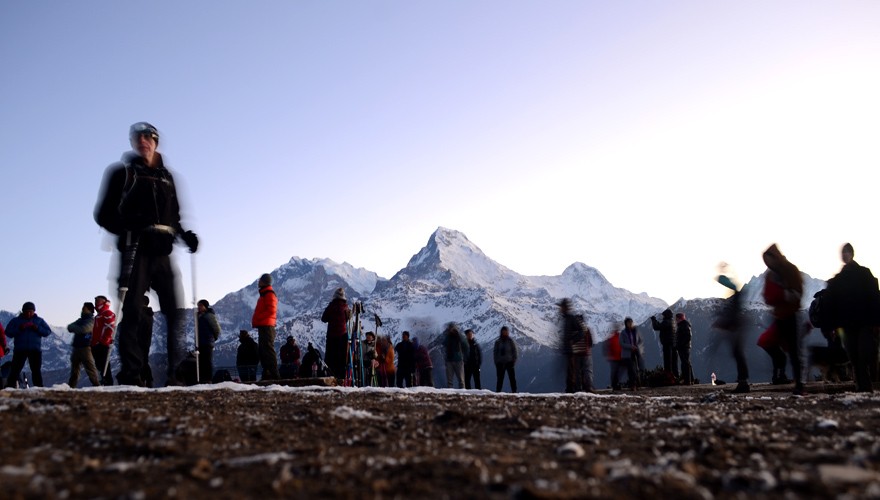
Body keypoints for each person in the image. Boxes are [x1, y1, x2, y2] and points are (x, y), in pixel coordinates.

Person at [94, 122, 199, 386]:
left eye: (148, 137)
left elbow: (173, 216)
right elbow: (103, 214)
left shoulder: (167, 177)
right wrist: (127, 227)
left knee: (174, 312)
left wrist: (184, 234)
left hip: (162, 252)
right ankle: (132, 373)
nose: (143, 141)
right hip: (135, 248)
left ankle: (175, 373)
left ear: (155, 142)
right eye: (138, 138)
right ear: (133, 142)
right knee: (132, 312)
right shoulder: (122, 173)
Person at [824, 243, 880, 392]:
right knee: (859, 358)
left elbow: (831, 305)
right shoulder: (864, 274)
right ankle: (864, 388)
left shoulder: (838, 280)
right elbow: (875, 298)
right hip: (860, 323)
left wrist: (832, 326)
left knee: (858, 358)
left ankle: (863, 387)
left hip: (852, 324)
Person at [762, 244, 805, 395]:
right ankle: (782, 374)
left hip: (790, 315)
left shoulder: (790, 270)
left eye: (770, 260)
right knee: (771, 343)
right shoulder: (771, 275)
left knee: (793, 350)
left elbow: (798, 293)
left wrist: (782, 295)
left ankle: (798, 383)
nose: (769, 264)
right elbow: (766, 296)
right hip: (778, 315)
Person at [714, 264, 750, 393]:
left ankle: (743, 382)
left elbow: (734, 312)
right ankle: (742, 381)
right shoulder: (736, 297)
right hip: (736, 328)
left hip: (736, 329)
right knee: (738, 353)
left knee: (738, 354)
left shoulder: (737, 296)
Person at [5, 302, 52, 388]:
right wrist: (19, 329)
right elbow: (8, 332)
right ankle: (10, 387)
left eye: (31, 311)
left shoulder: (39, 321)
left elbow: (48, 332)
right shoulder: (16, 321)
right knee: (15, 370)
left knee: (36, 370)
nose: (29, 313)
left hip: (35, 350)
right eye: (27, 311)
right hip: (20, 350)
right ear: (23, 311)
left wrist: (37, 328)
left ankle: (39, 388)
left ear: (34, 311)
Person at [559, 299, 593, 392]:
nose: (560, 309)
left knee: (576, 370)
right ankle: (575, 388)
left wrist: (572, 341)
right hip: (572, 350)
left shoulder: (571, 319)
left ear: (565, 307)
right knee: (575, 370)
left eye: (561, 307)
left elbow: (582, 332)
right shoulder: (566, 319)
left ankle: (576, 389)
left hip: (574, 350)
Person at [252, 273, 280, 380]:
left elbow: (271, 310)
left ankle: (275, 375)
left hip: (267, 326)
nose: (258, 281)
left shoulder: (269, 294)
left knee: (268, 350)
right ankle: (267, 374)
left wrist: (258, 318)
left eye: (260, 280)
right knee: (263, 351)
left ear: (264, 282)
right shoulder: (264, 294)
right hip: (264, 325)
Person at [67, 302, 101, 388]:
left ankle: (96, 385)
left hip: (85, 347)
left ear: (89, 309)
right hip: (77, 347)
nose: (82, 309)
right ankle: (71, 386)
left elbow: (84, 329)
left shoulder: (91, 320)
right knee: (75, 369)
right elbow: (69, 327)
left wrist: (76, 329)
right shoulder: (80, 320)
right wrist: (78, 329)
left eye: (84, 308)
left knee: (90, 367)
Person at [321, 287, 351, 381]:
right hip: (343, 336)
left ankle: (330, 376)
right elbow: (348, 319)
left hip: (331, 336)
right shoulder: (346, 307)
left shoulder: (331, 306)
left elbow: (324, 318)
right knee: (341, 358)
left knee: (330, 357)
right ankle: (341, 377)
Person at [91, 295, 116, 386]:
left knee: (104, 365)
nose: (96, 303)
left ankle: (108, 383)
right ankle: (104, 381)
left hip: (102, 345)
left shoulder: (107, 313)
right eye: (95, 301)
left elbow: (111, 328)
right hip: (95, 344)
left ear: (103, 302)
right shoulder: (99, 315)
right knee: (100, 365)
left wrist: (104, 341)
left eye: (97, 301)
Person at [197, 299, 221, 384]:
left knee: (207, 361)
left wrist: (213, 338)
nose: (199, 307)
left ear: (205, 306)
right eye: (198, 306)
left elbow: (216, 328)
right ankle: (203, 379)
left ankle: (208, 379)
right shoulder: (199, 317)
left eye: (200, 305)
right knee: (202, 361)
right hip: (200, 342)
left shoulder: (209, 316)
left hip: (207, 342)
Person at [651, 309, 678, 381]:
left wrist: (654, 320)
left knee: (667, 362)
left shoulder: (667, 322)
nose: (663, 317)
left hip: (667, 344)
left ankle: (669, 378)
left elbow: (656, 327)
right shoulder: (673, 322)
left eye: (664, 315)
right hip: (673, 344)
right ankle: (675, 377)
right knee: (674, 362)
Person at [619, 317, 644, 390]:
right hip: (627, 354)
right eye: (628, 322)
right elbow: (621, 343)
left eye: (631, 322)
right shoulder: (623, 333)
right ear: (626, 324)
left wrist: (637, 346)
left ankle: (637, 384)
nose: (630, 324)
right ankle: (633, 385)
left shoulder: (635, 331)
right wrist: (630, 346)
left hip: (636, 352)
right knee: (631, 369)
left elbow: (640, 340)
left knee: (636, 368)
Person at [443, 323, 469, 389]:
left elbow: (466, 345)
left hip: (458, 360)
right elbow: (444, 343)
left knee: (461, 379)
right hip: (449, 360)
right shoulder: (447, 336)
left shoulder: (460, 336)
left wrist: (465, 357)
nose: (451, 330)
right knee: (449, 380)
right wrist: (447, 335)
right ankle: (450, 394)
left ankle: (462, 393)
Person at [493, 326, 518, 393]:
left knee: (512, 378)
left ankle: (514, 391)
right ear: (501, 332)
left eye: (506, 332)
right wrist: (496, 362)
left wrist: (514, 360)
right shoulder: (498, 342)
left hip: (509, 362)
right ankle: (498, 392)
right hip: (500, 363)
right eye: (504, 332)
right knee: (500, 379)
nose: (505, 333)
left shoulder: (511, 341)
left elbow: (515, 351)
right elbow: (495, 352)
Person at [138, 295, 155, 387]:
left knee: (141, 361)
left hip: (140, 340)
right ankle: (146, 380)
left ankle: (146, 379)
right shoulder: (148, 314)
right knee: (144, 360)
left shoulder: (142, 314)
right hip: (145, 341)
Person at [675, 313, 694, 385]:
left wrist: (681, 344)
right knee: (687, 363)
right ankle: (691, 379)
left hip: (684, 347)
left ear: (679, 318)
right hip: (684, 346)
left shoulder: (684, 325)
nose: (675, 320)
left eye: (676, 318)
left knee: (685, 363)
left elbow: (688, 336)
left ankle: (687, 381)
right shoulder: (683, 325)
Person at [605, 325, 624, 390]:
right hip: (617, 357)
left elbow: (607, 346)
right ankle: (615, 384)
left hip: (615, 357)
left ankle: (615, 384)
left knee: (616, 372)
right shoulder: (619, 337)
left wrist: (608, 354)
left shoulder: (612, 337)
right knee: (617, 372)